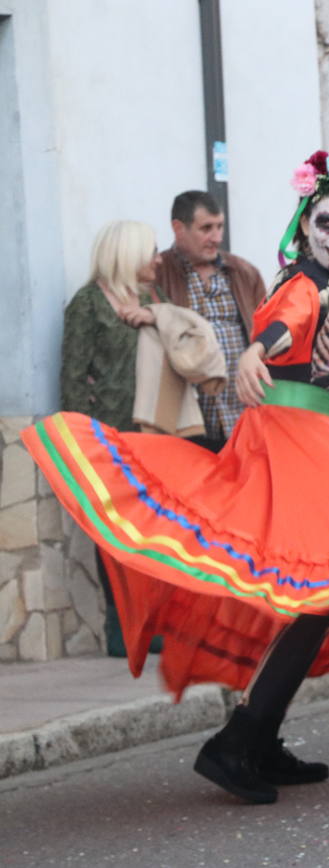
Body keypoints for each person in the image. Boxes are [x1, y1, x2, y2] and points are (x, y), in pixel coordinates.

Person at [24, 152, 329, 805]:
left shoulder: (323, 283)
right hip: (290, 443)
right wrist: (254, 348)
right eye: (326, 221)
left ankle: (258, 735)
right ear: (305, 225)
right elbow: (281, 325)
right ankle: (238, 742)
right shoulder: (301, 283)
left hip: (312, 440)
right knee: (321, 592)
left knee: (320, 596)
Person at [60, 221, 162, 657]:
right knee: (114, 541)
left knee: (151, 537)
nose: (158, 260)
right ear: (129, 254)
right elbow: (72, 377)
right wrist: (84, 443)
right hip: (108, 438)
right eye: (151, 252)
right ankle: (122, 629)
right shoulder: (86, 305)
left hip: (154, 435)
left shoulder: (155, 301)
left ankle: (150, 625)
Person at [155, 191, 266, 452]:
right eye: (206, 228)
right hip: (188, 415)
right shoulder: (159, 273)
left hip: (242, 410)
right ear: (178, 228)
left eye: (220, 227)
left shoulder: (244, 272)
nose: (216, 238)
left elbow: (268, 330)